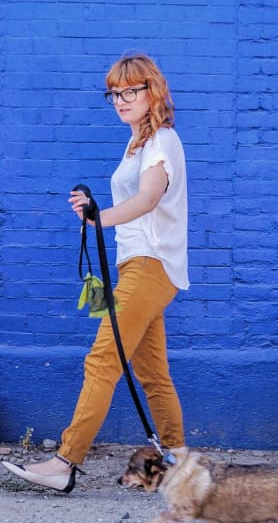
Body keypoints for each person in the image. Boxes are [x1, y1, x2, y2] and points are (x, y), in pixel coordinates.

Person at [2, 52, 189, 493]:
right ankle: (180, 460)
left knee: (102, 360)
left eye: (131, 91)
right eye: (115, 93)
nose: (121, 100)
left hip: (151, 263)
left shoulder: (162, 141)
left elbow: (146, 200)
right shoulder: (137, 145)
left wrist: (97, 217)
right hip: (138, 266)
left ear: (152, 91)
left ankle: (66, 461)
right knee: (153, 372)